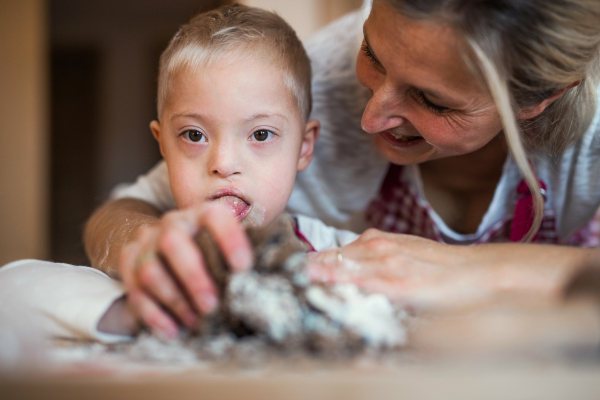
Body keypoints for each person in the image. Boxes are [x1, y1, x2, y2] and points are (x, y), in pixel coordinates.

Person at [85, 0, 600, 337]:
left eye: (431, 100)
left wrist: (481, 270)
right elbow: (129, 207)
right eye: (372, 55)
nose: (371, 116)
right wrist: (151, 248)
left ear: (538, 99)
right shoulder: (306, 83)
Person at [0, 4, 359, 342]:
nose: (223, 163)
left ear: (304, 147)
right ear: (163, 146)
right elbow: (11, 290)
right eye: (194, 135)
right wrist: (140, 311)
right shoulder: (157, 267)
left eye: (261, 134)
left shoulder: (336, 253)